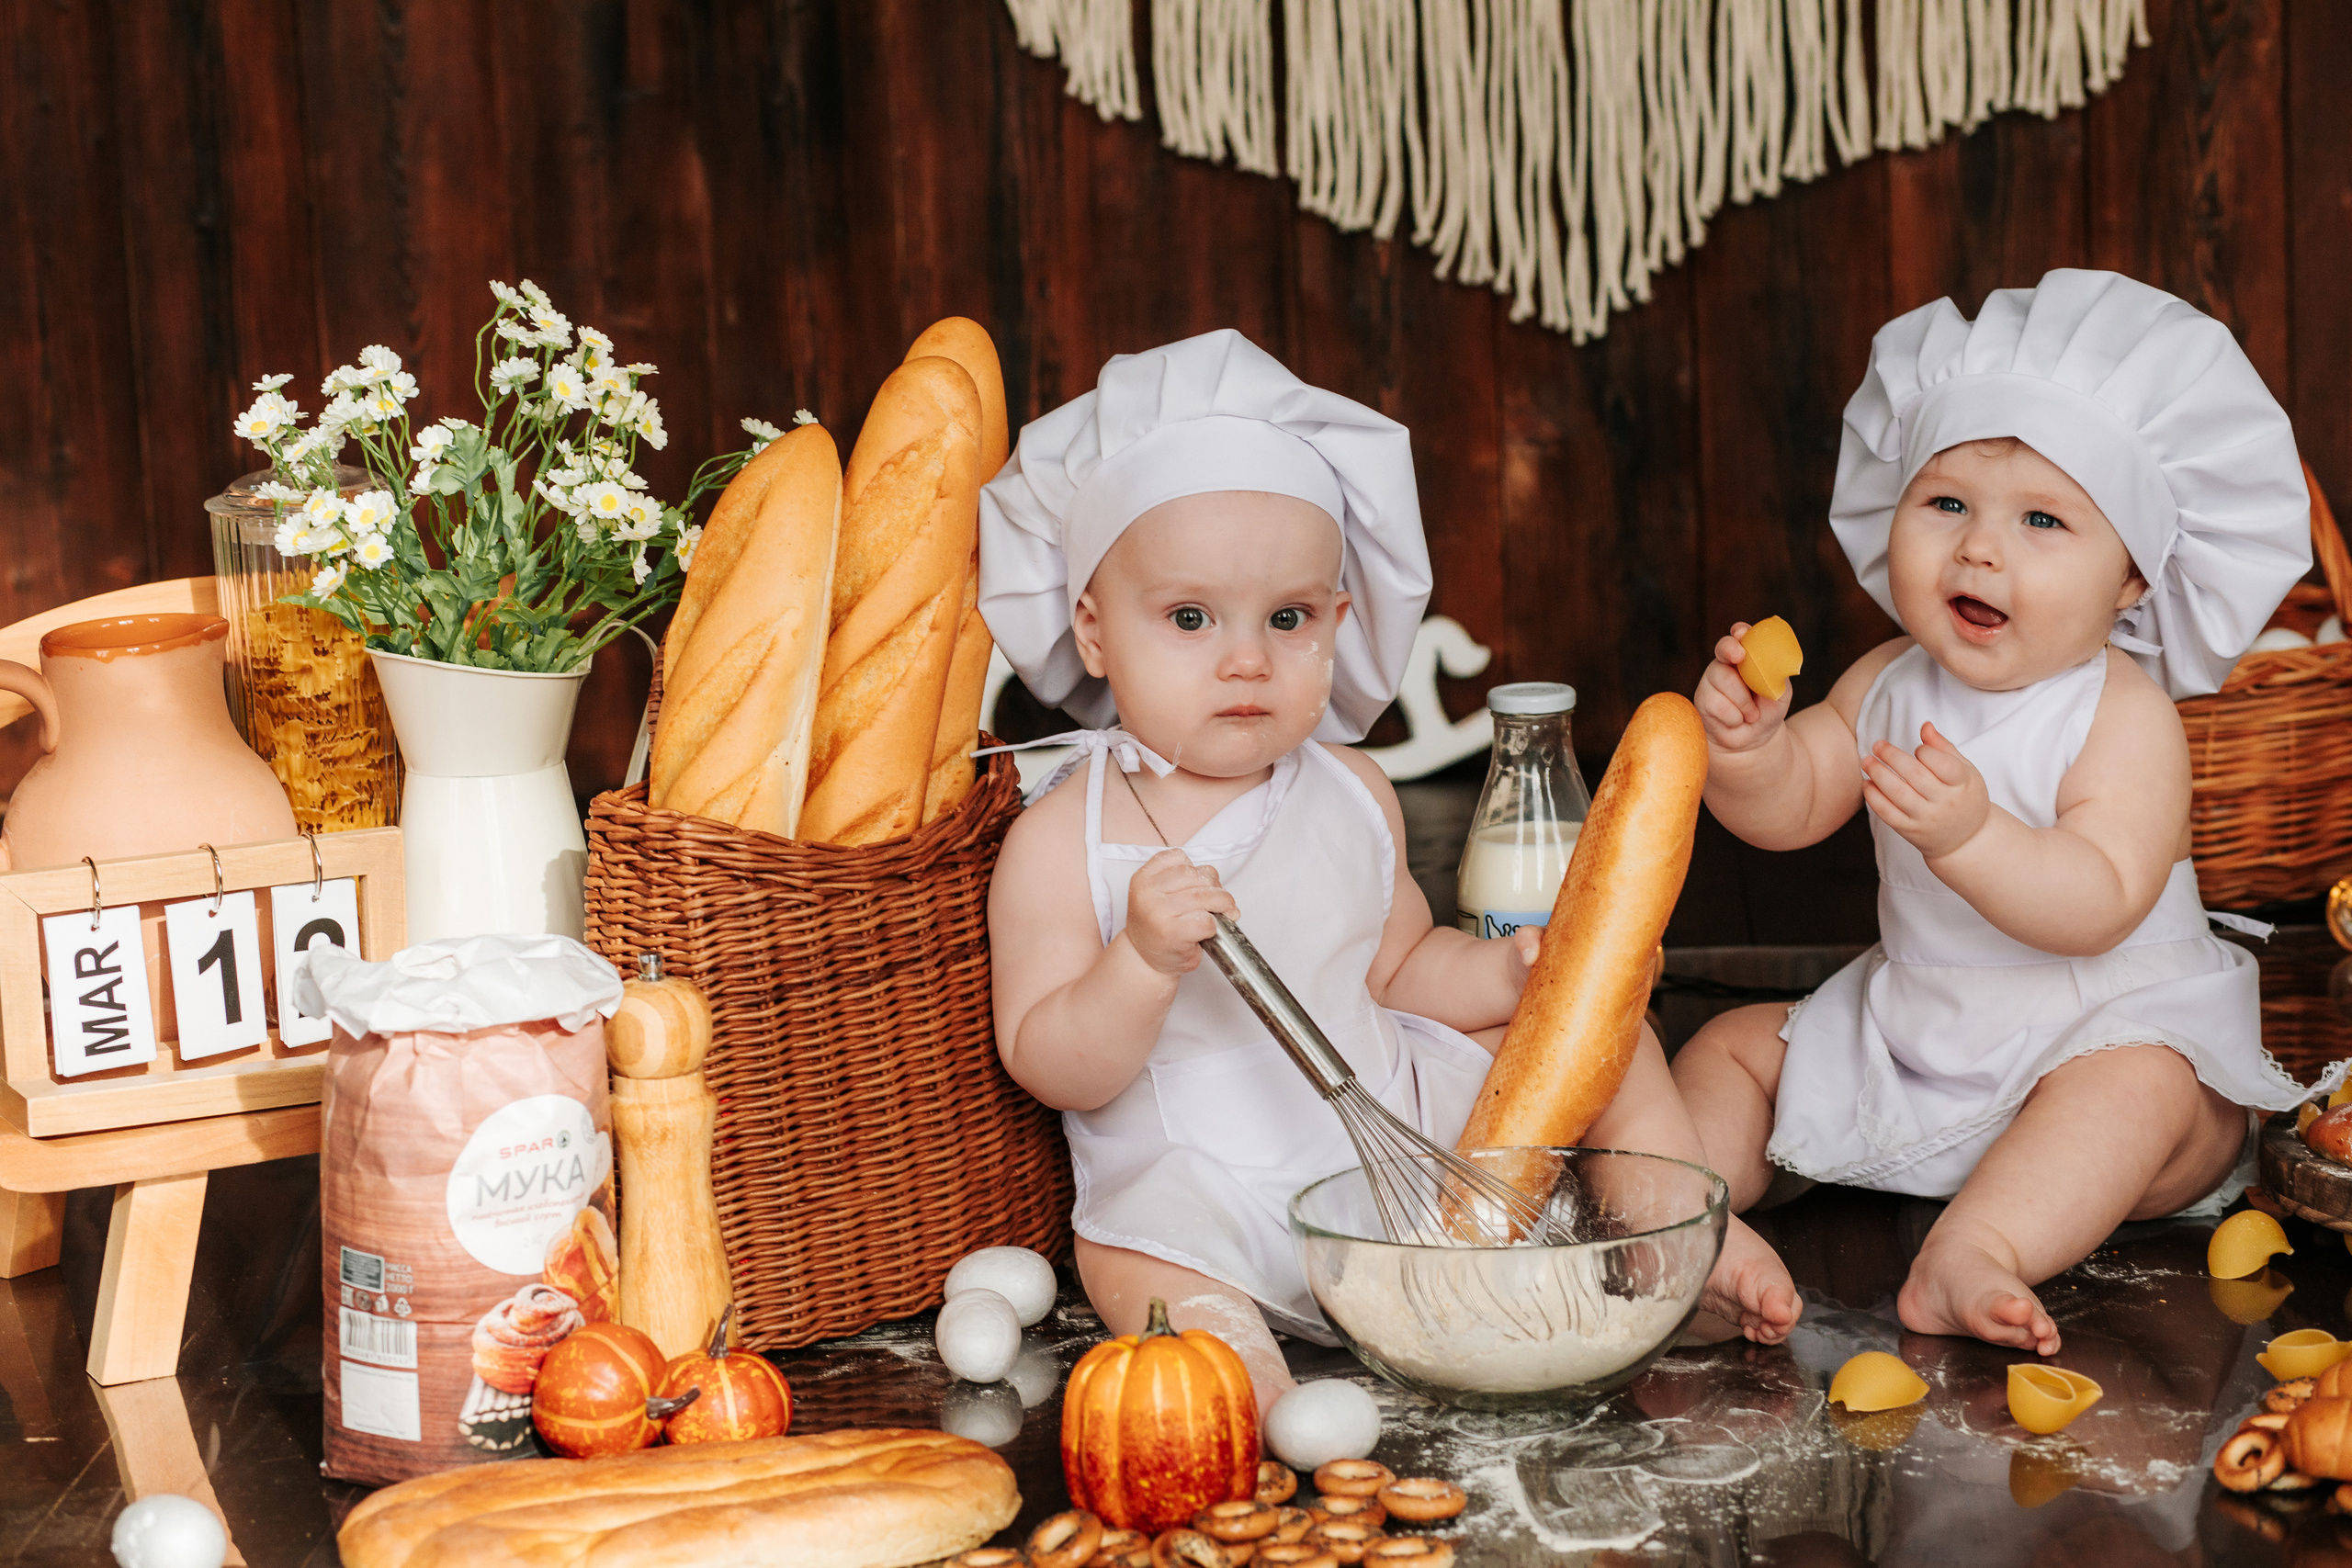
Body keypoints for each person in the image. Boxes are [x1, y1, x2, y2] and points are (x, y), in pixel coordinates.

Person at [979, 328, 1721, 1415]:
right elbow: (1049, 1063)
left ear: (1338, 616)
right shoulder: (1061, 839)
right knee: (1132, 1265)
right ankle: (1252, 1381)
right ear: (1093, 632)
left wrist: (1508, 979)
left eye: (1288, 619)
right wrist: (1138, 961)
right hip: (1201, 1182)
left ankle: (1673, 1250)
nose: (1247, 659)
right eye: (1189, 619)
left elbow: (1398, 962)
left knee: (1613, 1040)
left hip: (1401, 1138)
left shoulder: (1347, 790)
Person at [1674, 269, 2327, 1356]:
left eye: (2041, 520)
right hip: (1916, 1029)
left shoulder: (2122, 714)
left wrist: (1974, 839)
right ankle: (1680, 1212)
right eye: (1946, 506)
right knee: (1735, 1048)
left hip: (2095, 1023)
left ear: (2132, 582)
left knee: (2144, 1093)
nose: (1980, 548)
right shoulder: (1887, 678)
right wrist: (1749, 752)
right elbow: (1794, 808)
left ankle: (1977, 1250)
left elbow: (2102, 900)